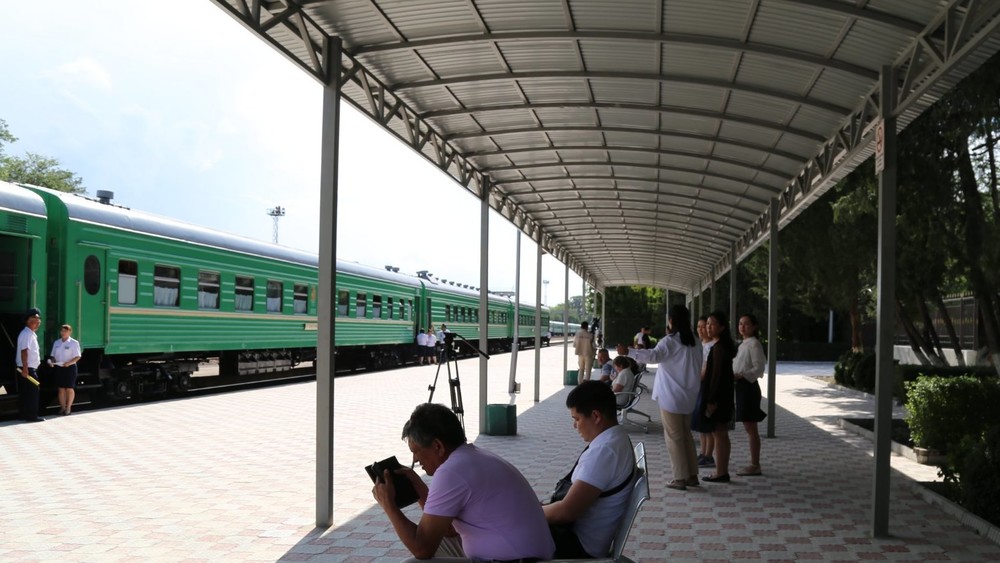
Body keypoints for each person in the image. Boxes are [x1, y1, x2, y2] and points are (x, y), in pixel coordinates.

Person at [373, 403, 554, 562]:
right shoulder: (474, 456)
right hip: (534, 555)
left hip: (516, 560)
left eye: (415, 451)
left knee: (413, 562)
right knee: (438, 541)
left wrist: (388, 505)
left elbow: (422, 548)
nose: (415, 459)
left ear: (438, 446)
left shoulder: (451, 472)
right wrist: (418, 487)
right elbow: (449, 530)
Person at [544, 381, 634, 559]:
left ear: (596, 416)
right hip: (582, 537)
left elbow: (566, 512)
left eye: (577, 419)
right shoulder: (617, 438)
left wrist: (529, 512)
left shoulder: (604, 452)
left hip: (578, 545)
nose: (575, 426)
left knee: (504, 528)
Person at [618, 305, 702, 491]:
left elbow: (653, 356)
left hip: (671, 396)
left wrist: (628, 352)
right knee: (686, 435)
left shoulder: (670, 341)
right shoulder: (695, 341)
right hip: (689, 395)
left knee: (674, 437)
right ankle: (692, 475)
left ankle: (680, 478)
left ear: (671, 320)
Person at [700, 311, 737, 483]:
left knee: (719, 434)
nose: (708, 327)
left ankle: (721, 472)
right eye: (707, 323)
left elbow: (716, 376)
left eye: (712, 324)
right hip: (723, 396)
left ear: (722, 327)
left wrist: (711, 400)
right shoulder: (721, 346)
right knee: (721, 434)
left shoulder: (719, 348)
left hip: (718, 398)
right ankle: (722, 471)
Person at [733, 313, 767, 477]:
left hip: (749, 387)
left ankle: (755, 464)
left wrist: (741, 375)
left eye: (746, 324)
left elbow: (759, 368)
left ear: (754, 326)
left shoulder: (754, 344)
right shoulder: (743, 344)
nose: (742, 326)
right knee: (749, 427)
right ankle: (754, 463)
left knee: (751, 428)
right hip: (741, 387)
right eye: (740, 323)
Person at [693, 316, 717, 469]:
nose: (701, 329)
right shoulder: (699, 345)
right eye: (699, 326)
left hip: (706, 386)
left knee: (708, 424)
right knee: (701, 423)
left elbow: (706, 369)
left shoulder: (713, 346)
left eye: (704, 326)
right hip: (698, 385)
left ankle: (709, 455)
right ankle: (702, 453)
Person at [15, 308, 44, 423]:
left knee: (25, 392)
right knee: (33, 391)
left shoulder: (31, 334)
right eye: (34, 319)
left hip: (27, 368)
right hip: (27, 369)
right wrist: (26, 368)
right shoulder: (26, 334)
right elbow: (24, 351)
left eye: (38, 319)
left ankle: (23, 414)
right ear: (28, 321)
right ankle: (32, 416)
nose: (37, 321)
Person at [49, 324, 82, 416]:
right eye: (62, 331)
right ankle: (62, 408)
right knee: (61, 389)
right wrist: (52, 361)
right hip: (59, 367)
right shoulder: (57, 343)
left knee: (69, 388)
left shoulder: (74, 343)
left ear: (70, 332)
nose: (63, 333)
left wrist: (69, 363)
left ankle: (68, 408)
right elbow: (53, 356)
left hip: (70, 368)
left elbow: (78, 356)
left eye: (65, 331)